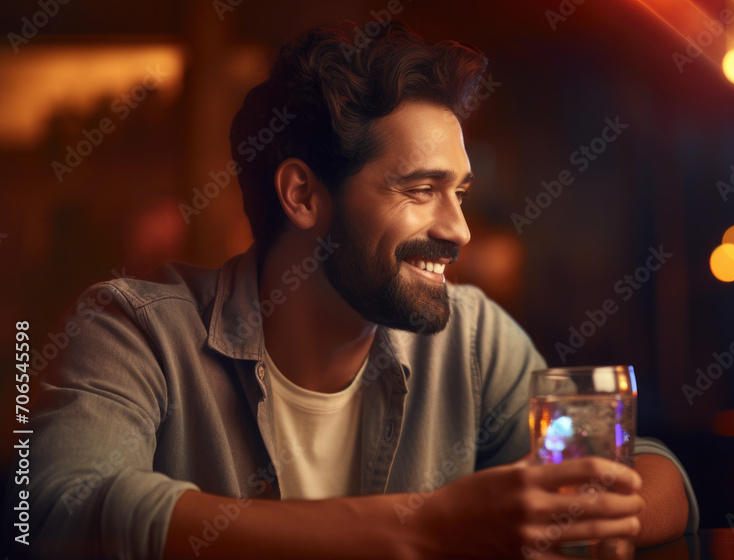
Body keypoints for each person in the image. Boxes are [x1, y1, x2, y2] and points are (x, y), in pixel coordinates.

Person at [13, 21, 698, 559]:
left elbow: (658, 472)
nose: (459, 230)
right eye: (421, 189)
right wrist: (421, 530)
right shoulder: (131, 330)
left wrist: (596, 507)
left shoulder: (471, 335)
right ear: (304, 195)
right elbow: (51, 510)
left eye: (459, 192)